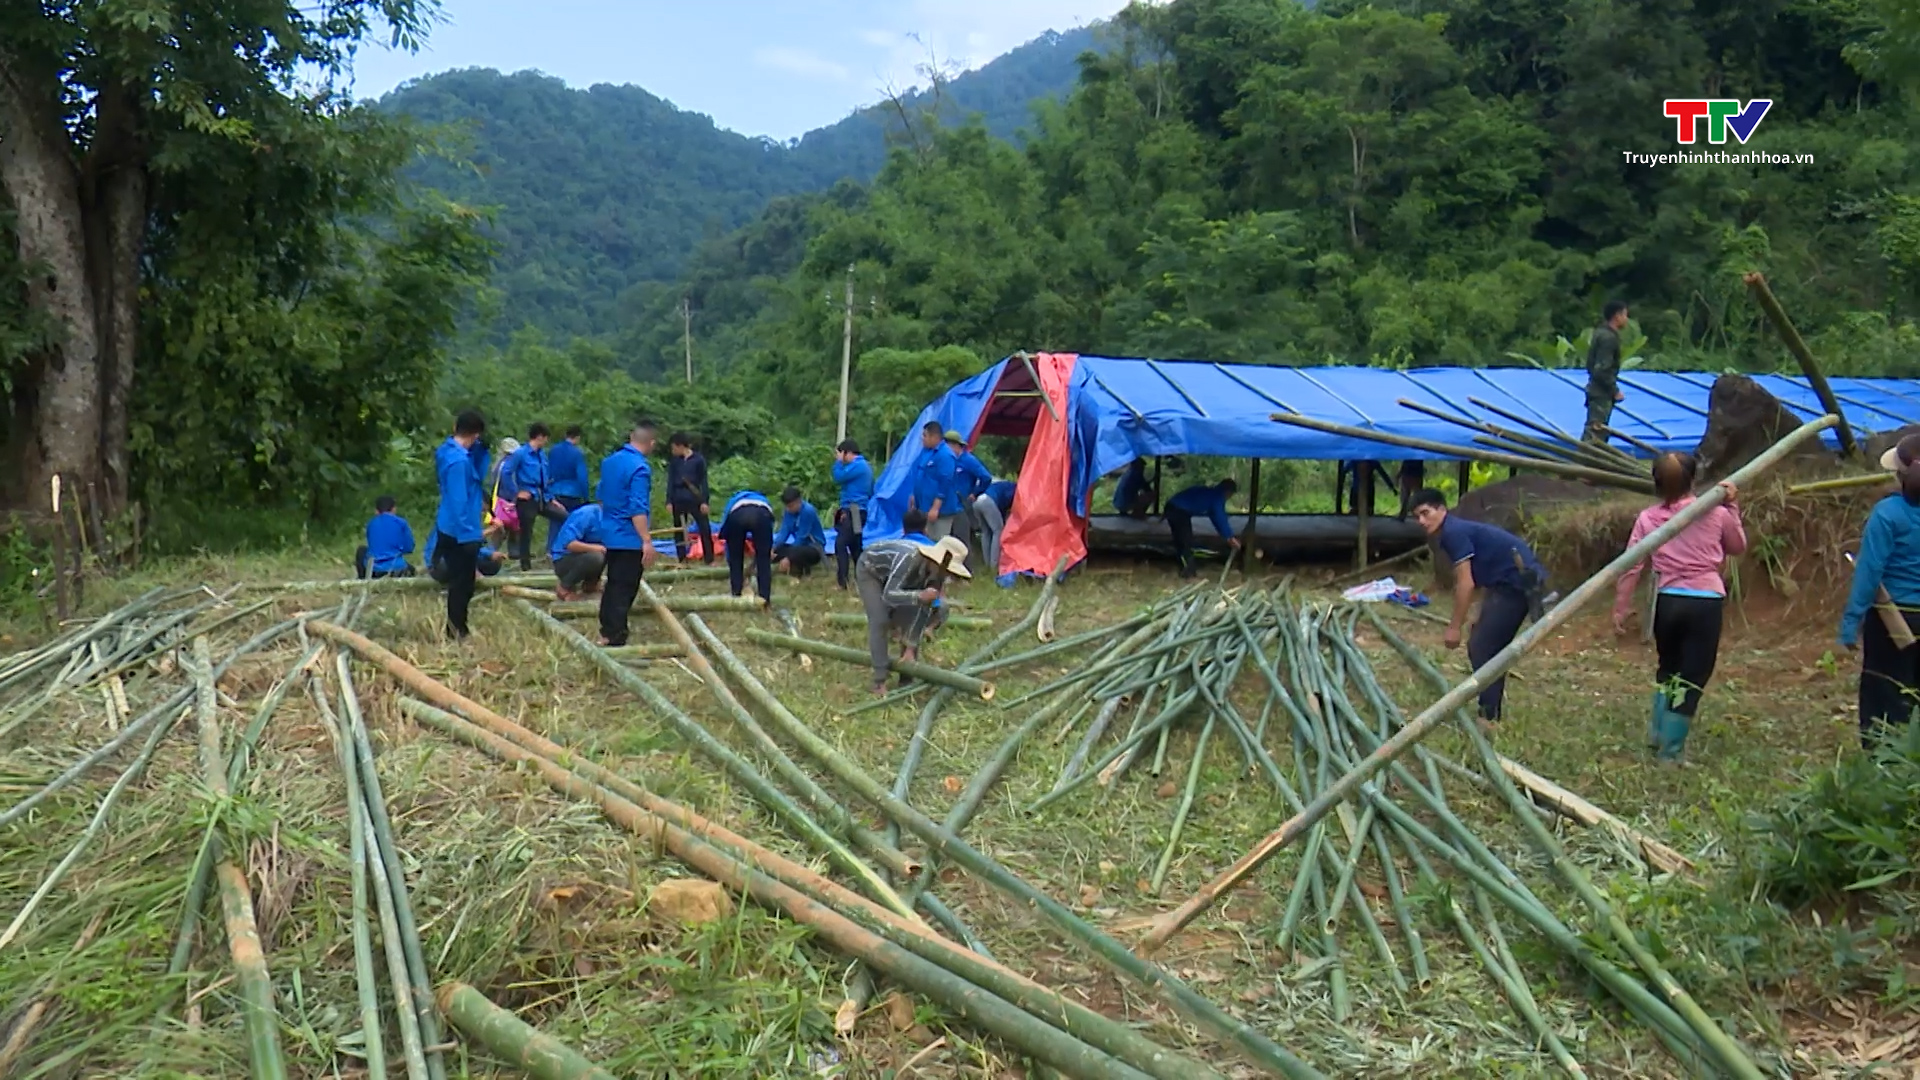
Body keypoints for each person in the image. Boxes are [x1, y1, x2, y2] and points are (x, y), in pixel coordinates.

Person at [1612, 453, 1745, 763]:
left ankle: (1658, 737)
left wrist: (1621, 606)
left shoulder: (1648, 518)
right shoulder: (1715, 513)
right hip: (1704, 602)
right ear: (1693, 479)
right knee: (1692, 676)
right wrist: (1733, 507)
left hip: (1667, 601)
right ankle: (1670, 754)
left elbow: (1631, 564)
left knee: (1668, 669)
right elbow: (1737, 547)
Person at [1410, 488, 1549, 728]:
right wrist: (1479, 614)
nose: (1421, 521)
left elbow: (1465, 583)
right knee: (1483, 644)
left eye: (1426, 513)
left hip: (1518, 584)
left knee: (1483, 647)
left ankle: (1489, 717)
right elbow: (1489, 570)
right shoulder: (1454, 530)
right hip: (1505, 583)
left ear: (1442, 509)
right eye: (1417, 517)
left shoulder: (1453, 532)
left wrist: (1454, 627)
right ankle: (1489, 711)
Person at [1839, 433, 1920, 747]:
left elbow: (1869, 572)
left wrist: (1850, 623)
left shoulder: (1887, 515)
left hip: (1892, 620)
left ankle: (1883, 765)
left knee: (1884, 693)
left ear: (1899, 474)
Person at [856, 531, 971, 694]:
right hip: (871, 570)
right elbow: (889, 595)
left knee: (914, 612)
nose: (948, 576)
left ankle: (907, 676)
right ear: (935, 561)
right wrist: (919, 595)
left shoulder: (936, 575)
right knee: (880, 620)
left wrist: (911, 646)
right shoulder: (908, 559)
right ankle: (879, 680)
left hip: (896, 579)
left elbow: (922, 610)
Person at [597, 420, 658, 647]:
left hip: (609, 532)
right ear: (651, 443)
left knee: (613, 582)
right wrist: (646, 540)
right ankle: (615, 635)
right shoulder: (640, 468)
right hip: (628, 536)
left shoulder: (609, 462)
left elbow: (601, 495)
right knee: (625, 587)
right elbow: (637, 507)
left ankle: (606, 630)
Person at [434, 411, 491, 639]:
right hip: (459, 530)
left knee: (461, 581)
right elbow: (459, 501)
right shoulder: (459, 463)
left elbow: (474, 465)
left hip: (447, 523)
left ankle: (457, 627)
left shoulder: (447, 452)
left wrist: (481, 450)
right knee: (462, 583)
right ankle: (457, 630)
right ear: (475, 434)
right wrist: (469, 534)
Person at [508, 423, 571, 572]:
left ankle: (560, 553)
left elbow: (545, 478)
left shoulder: (542, 455)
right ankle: (525, 566)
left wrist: (551, 498)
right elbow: (506, 473)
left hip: (542, 496)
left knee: (564, 516)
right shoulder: (521, 453)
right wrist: (516, 493)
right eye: (545, 438)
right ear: (540, 437)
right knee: (526, 532)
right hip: (527, 496)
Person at [1165, 479, 1240, 579]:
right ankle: (1188, 573)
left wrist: (1227, 536)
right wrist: (1230, 537)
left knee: (1181, 540)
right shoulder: (1217, 497)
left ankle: (1184, 569)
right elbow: (1220, 517)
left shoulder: (1211, 493)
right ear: (1228, 492)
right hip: (1178, 510)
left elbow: (1215, 518)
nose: (1229, 497)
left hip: (1173, 507)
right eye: (1230, 495)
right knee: (1185, 542)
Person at [1583, 300, 1630, 443]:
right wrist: (1614, 390)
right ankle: (1586, 463)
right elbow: (1602, 369)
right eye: (1625, 315)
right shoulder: (1609, 338)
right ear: (1617, 316)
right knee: (1596, 432)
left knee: (1597, 430)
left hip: (1595, 390)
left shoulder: (1600, 333)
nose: (1626, 319)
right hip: (1601, 393)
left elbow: (1591, 365)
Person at [720, 488, 777, 604]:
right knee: (763, 560)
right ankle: (765, 598)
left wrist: (729, 555)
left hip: (737, 516)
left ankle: (736, 593)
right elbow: (770, 527)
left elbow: (725, 530)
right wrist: (768, 549)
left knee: (736, 558)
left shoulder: (733, 500)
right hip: (761, 516)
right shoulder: (764, 501)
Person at [832, 439, 874, 590]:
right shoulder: (863, 467)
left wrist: (838, 462)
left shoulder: (858, 466)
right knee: (855, 545)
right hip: (855, 509)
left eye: (840, 454)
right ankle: (862, 577)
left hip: (854, 510)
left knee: (841, 543)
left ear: (846, 453)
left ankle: (843, 581)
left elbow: (838, 477)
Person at [667, 432, 714, 565]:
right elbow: (670, 481)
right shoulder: (675, 462)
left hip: (694, 497)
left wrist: (705, 501)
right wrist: (669, 500)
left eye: (674, 447)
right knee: (679, 529)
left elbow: (703, 482)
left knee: (704, 527)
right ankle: (682, 558)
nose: (673, 451)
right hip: (678, 497)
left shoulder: (698, 460)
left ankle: (709, 559)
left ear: (680, 446)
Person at [549, 501, 609, 601]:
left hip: (585, 556)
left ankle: (591, 584)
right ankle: (564, 587)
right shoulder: (586, 513)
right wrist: (597, 548)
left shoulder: (613, 518)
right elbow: (570, 544)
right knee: (597, 556)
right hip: (563, 560)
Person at [908, 421, 958, 540]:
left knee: (937, 543)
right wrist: (915, 496)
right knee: (925, 541)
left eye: (925, 435)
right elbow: (922, 475)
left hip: (940, 511)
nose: (922, 439)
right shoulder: (927, 452)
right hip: (924, 506)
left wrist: (935, 507)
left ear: (934, 437)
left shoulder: (945, 455)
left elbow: (945, 483)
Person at [355, 494, 417, 579]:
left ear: (376, 511)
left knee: (361, 550)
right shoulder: (401, 523)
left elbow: (372, 546)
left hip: (375, 570)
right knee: (412, 570)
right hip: (396, 568)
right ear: (393, 509)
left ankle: (363, 578)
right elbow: (409, 548)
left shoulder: (371, 523)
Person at [773, 486, 826, 578]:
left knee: (797, 552)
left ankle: (801, 570)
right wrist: (773, 548)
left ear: (799, 501)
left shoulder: (808, 511)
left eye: (791, 506)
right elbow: (783, 532)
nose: (789, 509)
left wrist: (789, 557)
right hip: (797, 546)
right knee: (777, 549)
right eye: (787, 506)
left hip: (813, 547)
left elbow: (802, 537)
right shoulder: (788, 512)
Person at [427, 528, 507, 584]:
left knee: (494, 562)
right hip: (440, 564)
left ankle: (471, 576)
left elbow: (477, 546)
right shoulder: (448, 525)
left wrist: (491, 554)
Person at [974, 478, 1015, 581]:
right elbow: (1007, 504)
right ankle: (994, 566)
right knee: (998, 531)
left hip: (978, 501)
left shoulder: (1003, 484)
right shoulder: (1015, 489)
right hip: (989, 502)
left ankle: (987, 564)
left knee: (986, 532)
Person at [549, 425, 591, 512]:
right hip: (572, 494)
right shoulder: (577, 453)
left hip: (555, 491)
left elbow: (548, 472)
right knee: (571, 522)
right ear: (578, 437)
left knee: (556, 521)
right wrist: (586, 497)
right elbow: (582, 477)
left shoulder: (554, 450)